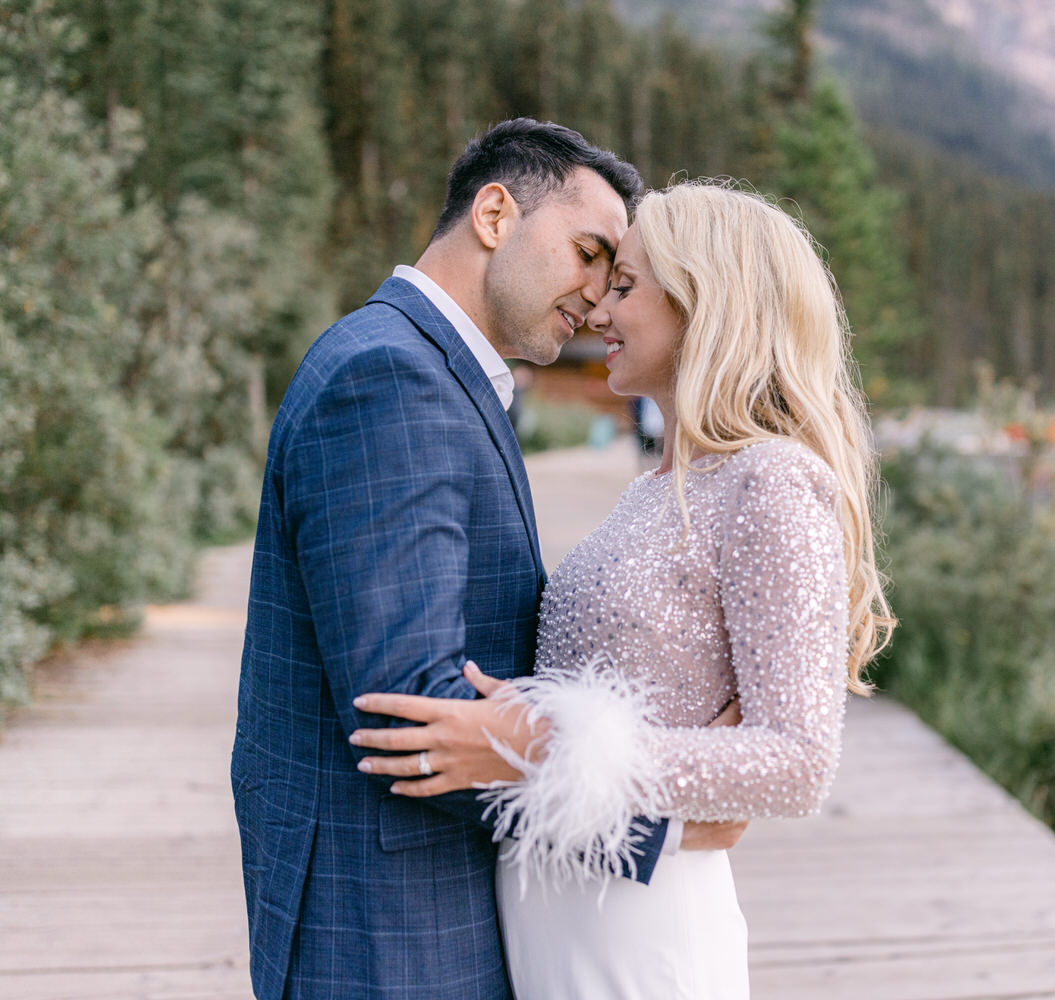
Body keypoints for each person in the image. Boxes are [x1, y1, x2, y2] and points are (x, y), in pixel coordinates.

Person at [231, 120, 741, 1000]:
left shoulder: (430, 373)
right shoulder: (391, 379)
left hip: (428, 905)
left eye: (617, 276)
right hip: (388, 927)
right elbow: (410, 707)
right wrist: (654, 809)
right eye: (589, 253)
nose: (599, 296)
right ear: (496, 214)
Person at [349, 181, 895, 998]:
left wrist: (532, 743)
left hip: (644, 927)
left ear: (708, 304)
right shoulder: (658, 485)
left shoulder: (771, 483)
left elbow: (798, 762)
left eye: (628, 286)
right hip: (554, 911)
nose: (598, 306)